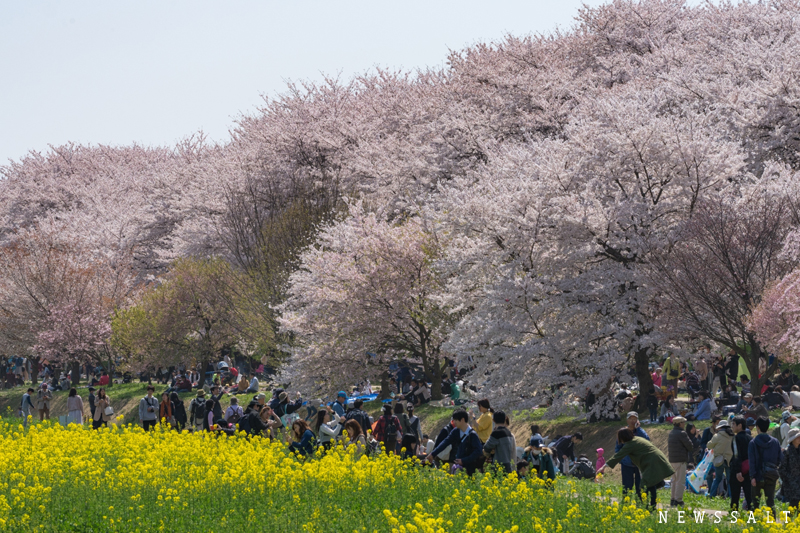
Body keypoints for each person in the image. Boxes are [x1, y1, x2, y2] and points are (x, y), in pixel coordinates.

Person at [598, 428, 675, 509]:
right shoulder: (637, 439)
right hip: (656, 460)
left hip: (652, 462)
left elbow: (618, 456)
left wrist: (604, 466)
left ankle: (649, 507)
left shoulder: (630, 444)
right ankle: (651, 505)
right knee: (651, 484)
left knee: (646, 485)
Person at [425, 409, 484, 476]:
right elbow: (445, 442)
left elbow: (478, 451)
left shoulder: (472, 434)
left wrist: (464, 460)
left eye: (456, 420)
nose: (454, 422)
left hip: (470, 467)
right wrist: (433, 454)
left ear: (462, 419)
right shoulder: (456, 431)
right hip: (458, 466)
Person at [748, 416, 783, 517]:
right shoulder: (775, 442)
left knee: (755, 502)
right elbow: (781, 459)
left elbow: (752, 461)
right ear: (768, 427)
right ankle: (772, 523)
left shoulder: (753, 442)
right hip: (771, 475)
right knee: (770, 502)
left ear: (757, 427)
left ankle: (754, 524)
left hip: (757, 476)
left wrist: (752, 476)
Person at [616, 412, 648, 499]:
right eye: (631, 419)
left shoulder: (641, 431)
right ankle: (626, 504)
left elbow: (647, 441)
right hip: (627, 464)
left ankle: (640, 504)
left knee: (640, 486)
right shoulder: (623, 432)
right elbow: (618, 447)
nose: (633, 421)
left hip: (639, 464)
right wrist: (621, 459)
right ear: (627, 420)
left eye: (635, 419)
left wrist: (639, 429)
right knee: (627, 485)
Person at [667, 416, 693, 506]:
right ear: (680, 423)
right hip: (680, 460)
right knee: (680, 481)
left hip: (672, 460)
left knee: (674, 480)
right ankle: (678, 500)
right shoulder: (682, 433)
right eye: (683, 422)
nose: (684, 424)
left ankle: (673, 499)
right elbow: (690, 446)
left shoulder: (671, 433)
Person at [729, 417, 753, 512]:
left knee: (735, 496)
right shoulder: (750, 438)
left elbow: (736, 455)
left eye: (733, 424)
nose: (732, 426)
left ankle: (733, 516)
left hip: (737, 471)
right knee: (749, 496)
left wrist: (738, 470)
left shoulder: (736, 438)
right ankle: (753, 516)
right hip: (749, 470)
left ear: (740, 425)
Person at [706, 419, 734, 499]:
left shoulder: (717, 436)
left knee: (717, 478)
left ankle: (712, 495)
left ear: (720, 428)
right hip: (729, 459)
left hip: (719, 459)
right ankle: (730, 496)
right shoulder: (732, 436)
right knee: (729, 480)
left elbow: (709, 446)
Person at [779, 427, 800, 512]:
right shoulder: (787, 452)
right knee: (792, 506)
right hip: (791, 486)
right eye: (797, 437)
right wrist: (790, 478)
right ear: (793, 439)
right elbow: (781, 469)